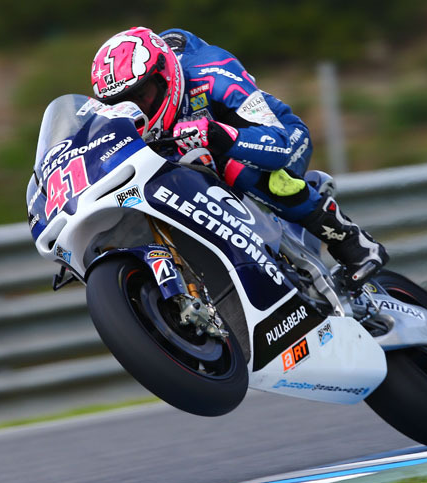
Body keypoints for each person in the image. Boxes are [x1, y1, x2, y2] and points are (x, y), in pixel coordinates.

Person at [91, 27, 388, 290]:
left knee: (225, 163)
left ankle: (351, 241)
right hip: (200, 160)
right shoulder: (127, 117)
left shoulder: (212, 73)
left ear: (164, 76)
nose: (137, 106)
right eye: (123, 102)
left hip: (279, 138)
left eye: (142, 94)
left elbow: (280, 145)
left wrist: (220, 136)